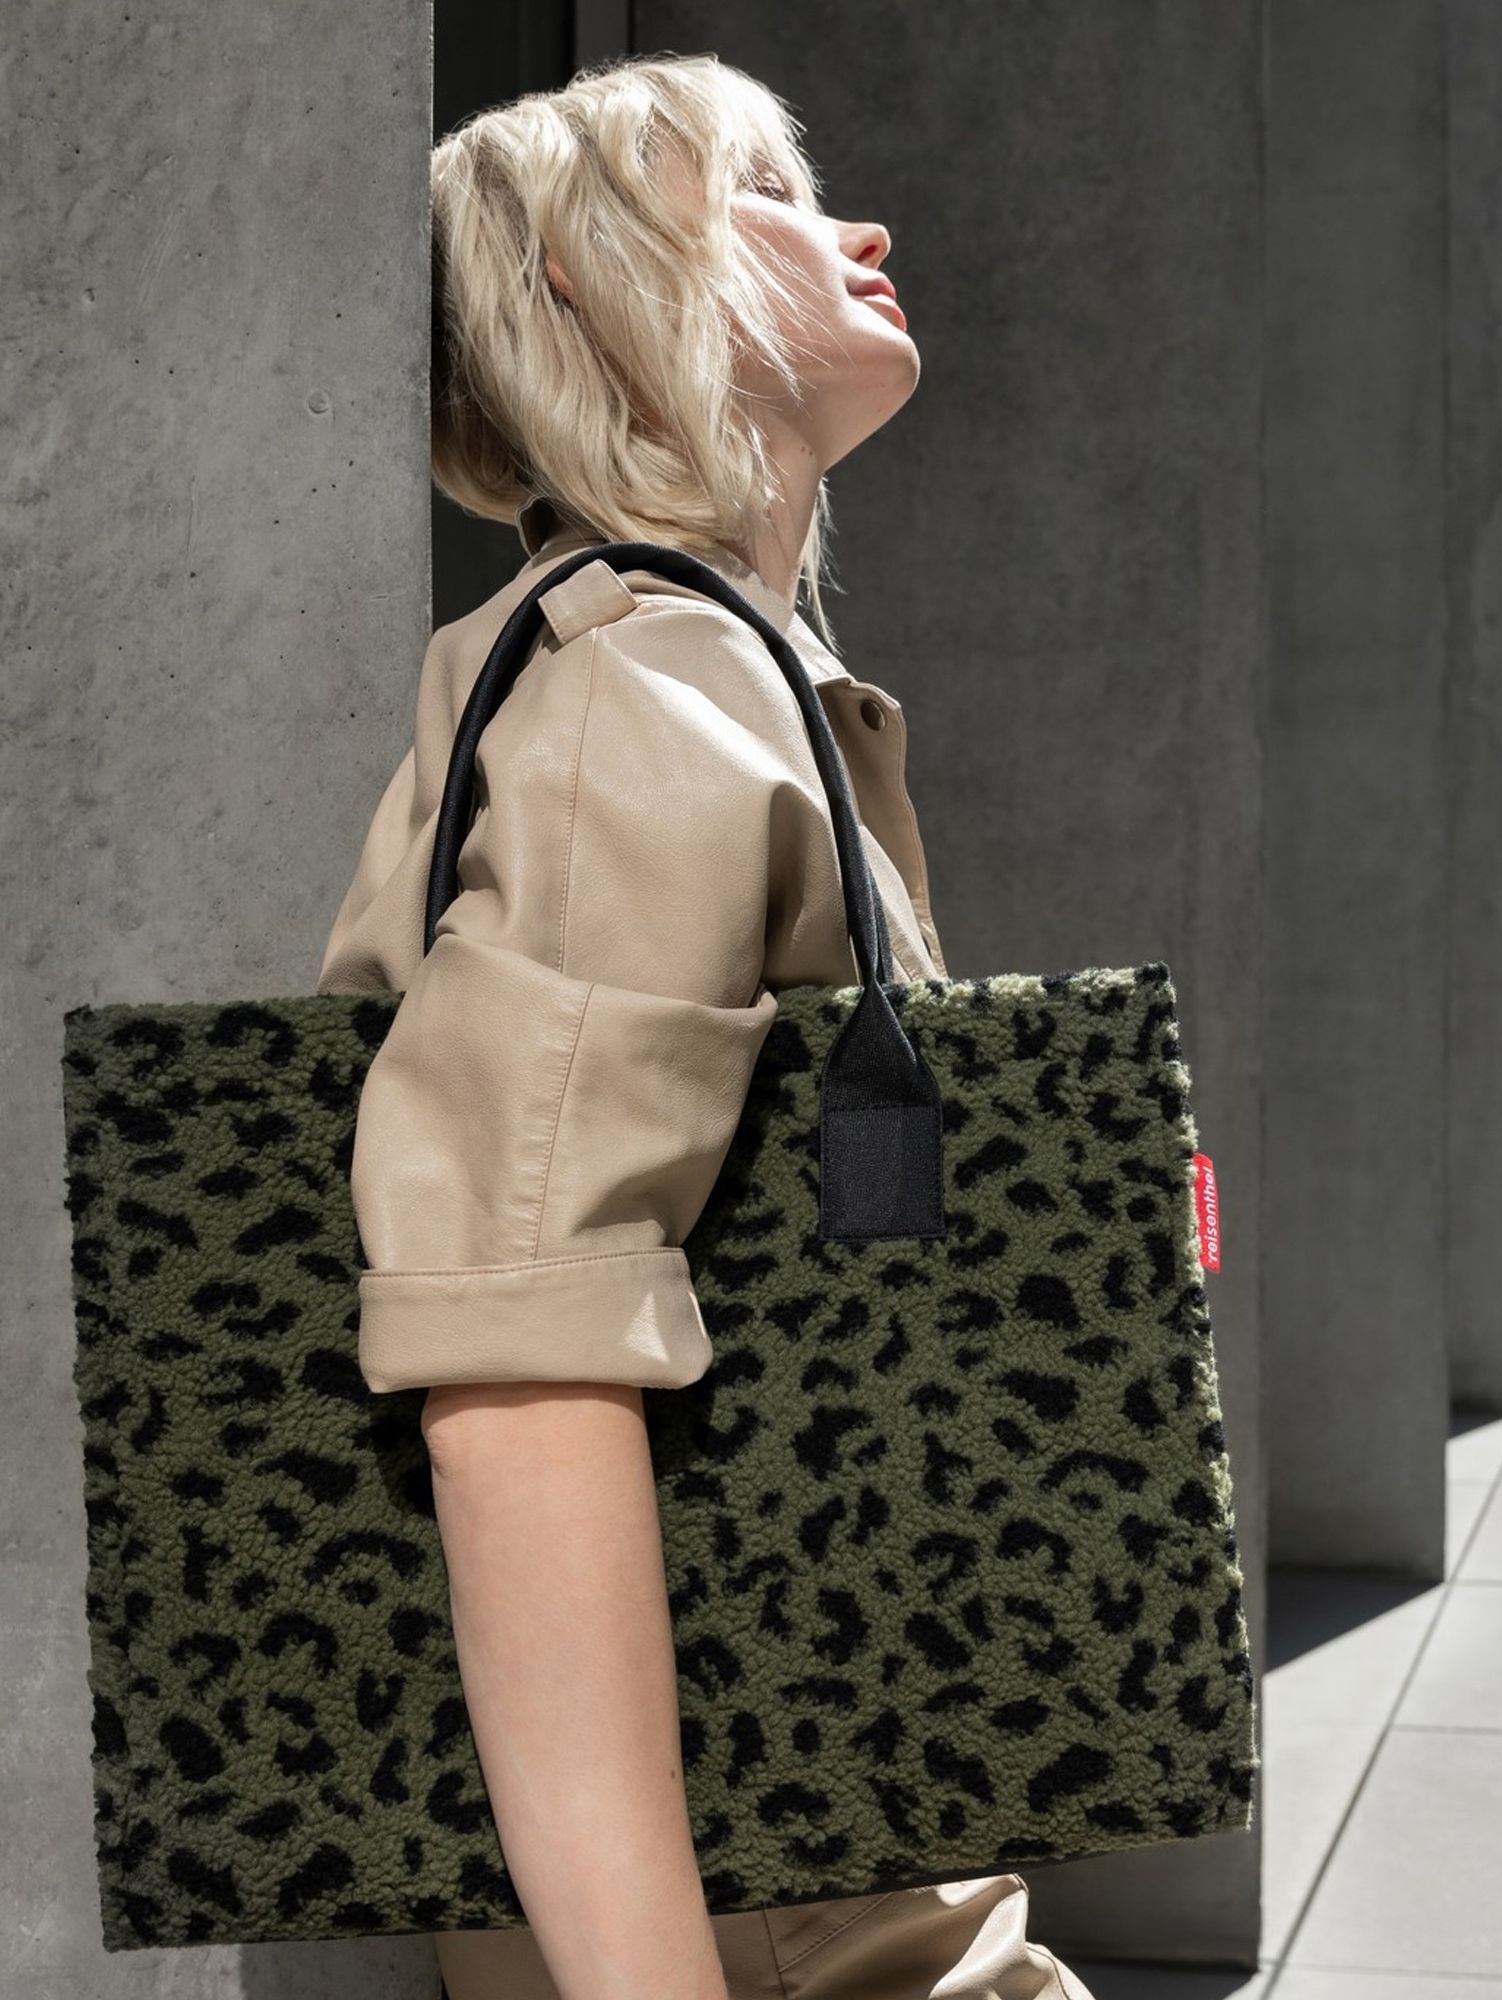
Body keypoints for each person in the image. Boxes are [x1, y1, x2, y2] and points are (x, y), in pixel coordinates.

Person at [315, 51, 1094, 2000]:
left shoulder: (689, 667)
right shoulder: (646, 682)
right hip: (794, 1911)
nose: (860, 230)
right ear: (585, 279)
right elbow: (517, 1364)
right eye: (761, 193)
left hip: (821, 1860)